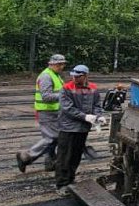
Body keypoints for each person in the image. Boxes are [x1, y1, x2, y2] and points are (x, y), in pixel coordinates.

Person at [54, 65, 104, 195]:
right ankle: (62, 184)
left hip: (82, 128)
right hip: (68, 127)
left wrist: (99, 116)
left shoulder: (93, 88)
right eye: (73, 76)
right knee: (64, 157)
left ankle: (70, 180)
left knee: (75, 156)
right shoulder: (66, 88)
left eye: (78, 76)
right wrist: (85, 116)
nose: (75, 78)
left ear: (85, 76)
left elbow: (96, 105)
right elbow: (68, 108)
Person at [17, 54, 67, 173]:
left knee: (55, 137)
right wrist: (65, 95)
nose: (62, 67)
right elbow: (46, 96)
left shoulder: (55, 75)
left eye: (63, 64)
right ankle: (26, 156)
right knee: (51, 137)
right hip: (47, 112)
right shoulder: (46, 76)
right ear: (51, 64)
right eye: (59, 64)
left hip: (54, 111)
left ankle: (50, 162)